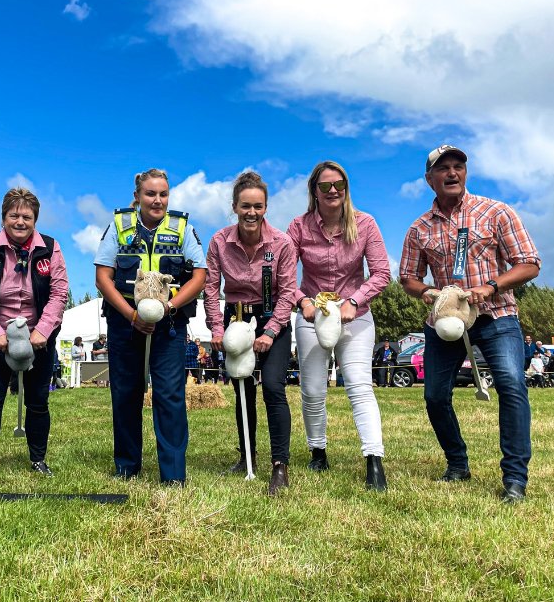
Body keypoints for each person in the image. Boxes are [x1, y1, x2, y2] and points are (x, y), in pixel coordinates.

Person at [399, 144, 541, 504]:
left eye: (458, 166)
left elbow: (529, 263)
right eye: (442, 168)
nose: (451, 172)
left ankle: (514, 478)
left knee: (510, 384)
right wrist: (431, 294)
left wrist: (489, 287)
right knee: (434, 396)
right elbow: (407, 278)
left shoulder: (496, 212)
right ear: (430, 179)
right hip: (446, 321)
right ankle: (457, 463)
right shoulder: (418, 228)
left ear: (465, 172)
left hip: (497, 315)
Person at [94, 167, 207, 485]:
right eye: (150, 194)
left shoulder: (182, 227)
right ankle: (127, 467)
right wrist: (132, 315)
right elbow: (103, 277)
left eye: (163, 194)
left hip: (169, 324)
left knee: (170, 395)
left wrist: (169, 306)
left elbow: (200, 275)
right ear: (137, 197)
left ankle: (173, 475)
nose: (157, 200)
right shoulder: (119, 225)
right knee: (126, 393)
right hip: (125, 322)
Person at [287, 160, 392, 490]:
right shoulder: (299, 227)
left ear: (346, 188)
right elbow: (286, 276)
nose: (333, 191)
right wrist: (302, 302)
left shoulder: (365, 224)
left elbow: (381, 273)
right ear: (314, 192)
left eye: (339, 185)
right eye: (325, 186)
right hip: (312, 316)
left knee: (360, 385)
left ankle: (374, 461)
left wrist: (355, 301)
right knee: (313, 390)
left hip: (355, 316)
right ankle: (318, 451)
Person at [0, 188, 69, 484]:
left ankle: (38, 459)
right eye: (14, 215)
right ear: (3, 218)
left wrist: (43, 332)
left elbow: (59, 294)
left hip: (39, 338)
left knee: (38, 401)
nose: (20, 221)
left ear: (35, 220)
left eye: (27, 216)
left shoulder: (51, 248)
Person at [204, 170, 298, 494]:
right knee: (243, 390)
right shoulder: (219, 241)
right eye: (245, 206)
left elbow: (288, 292)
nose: (251, 213)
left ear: (266, 207)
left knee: (273, 386)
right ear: (234, 206)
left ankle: (280, 465)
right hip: (236, 318)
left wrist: (270, 332)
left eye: (258, 206)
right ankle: (246, 458)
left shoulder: (282, 243)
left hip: (273, 318)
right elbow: (211, 288)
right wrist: (217, 328)